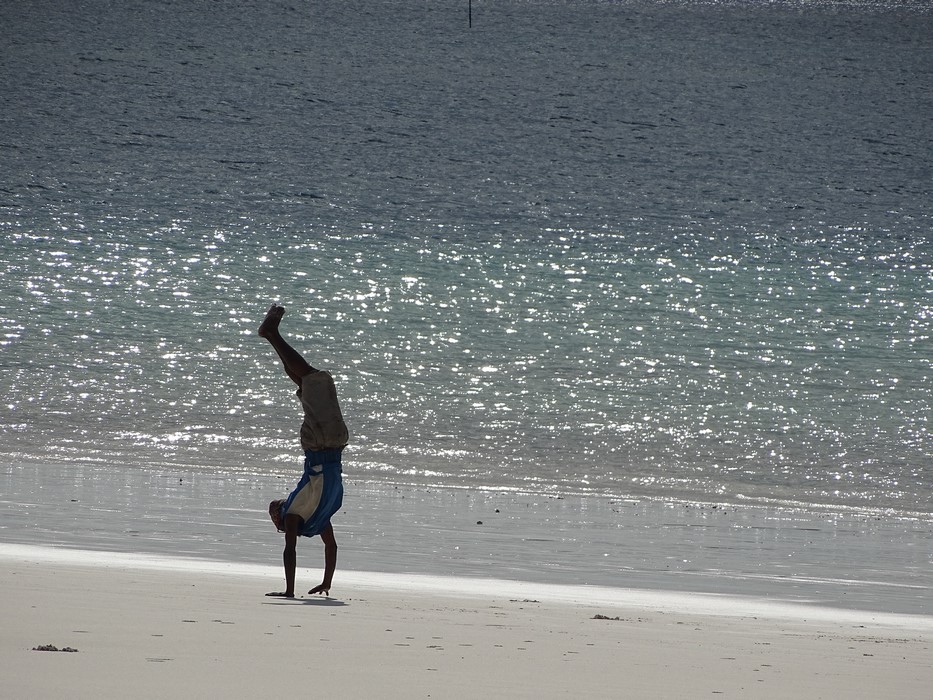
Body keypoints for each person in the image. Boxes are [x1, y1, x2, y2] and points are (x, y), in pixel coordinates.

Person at [258, 304, 349, 598]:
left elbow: (331, 547)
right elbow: (295, 549)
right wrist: (294, 590)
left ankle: (272, 336)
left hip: (324, 445)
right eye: (274, 508)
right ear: (278, 519)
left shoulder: (312, 513)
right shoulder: (295, 515)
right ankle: (271, 335)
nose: (276, 504)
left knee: (313, 381)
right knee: (312, 381)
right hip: (325, 443)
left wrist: (327, 581)